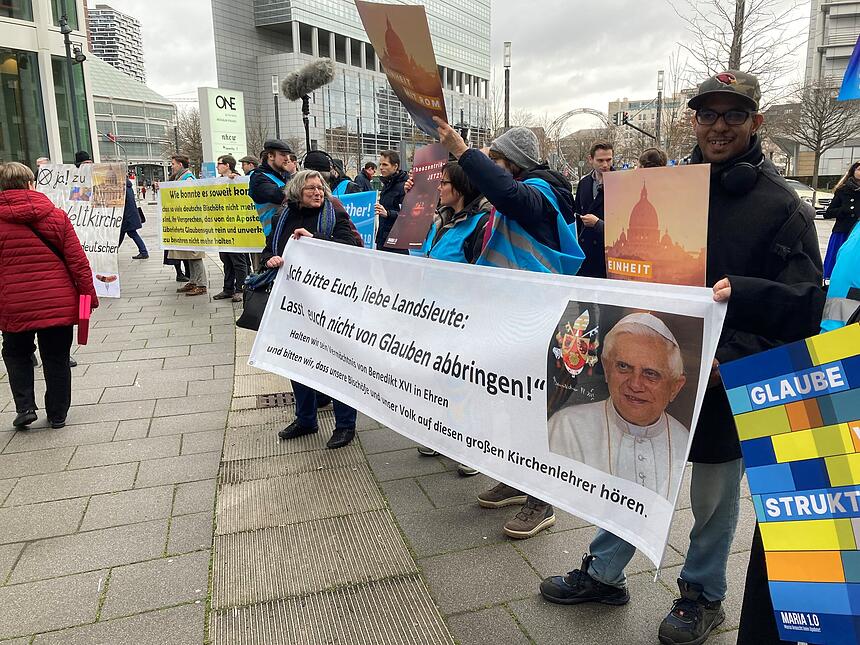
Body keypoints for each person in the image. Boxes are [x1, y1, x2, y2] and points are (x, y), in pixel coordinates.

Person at [539, 70, 822, 645]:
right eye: (708, 114)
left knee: (713, 497)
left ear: (756, 122)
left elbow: (803, 306)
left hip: (722, 377)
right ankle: (604, 571)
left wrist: (732, 352)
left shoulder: (780, 206)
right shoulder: (665, 187)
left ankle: (702, 594)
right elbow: (617, 275)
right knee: (629, 474)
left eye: (733, 115)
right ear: (693, 120)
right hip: (644, 368)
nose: (719, 126)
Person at [435, 119, 584, 539]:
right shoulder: (524, 196)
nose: (492, 171)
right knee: (511, 405)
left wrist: (465, 152)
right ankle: (519, 481)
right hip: (514, 318)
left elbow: (508, 194)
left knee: (533, 409)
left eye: (496, 161)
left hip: (536, 320)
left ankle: (543, 500)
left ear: (513, 165)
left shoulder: (540, 194)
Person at [260, 170, 363, 449]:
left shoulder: (334, 214)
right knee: (297, 361)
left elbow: (351, 246)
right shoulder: (281, 217)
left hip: (331, 305)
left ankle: (345, 425)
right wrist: (270, 259)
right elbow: (267, 249)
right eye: (311, 189)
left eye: (321, 188)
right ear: (296, 193)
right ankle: (305, 419)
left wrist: (315, 239)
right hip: (294, 304)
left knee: (337, 363)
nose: (318, 193)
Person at [0, 162, 99, 430]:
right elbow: (78, 262)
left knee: (16, 354)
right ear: (31, 184)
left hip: (14, 304)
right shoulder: (56, 216)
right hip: (58, 302)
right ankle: (57, 414)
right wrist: (89, 297)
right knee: (56, 357)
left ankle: (25, 407)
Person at [548, 313, 688, 499]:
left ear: (675, 387)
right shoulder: (566, 426)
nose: (635, 384)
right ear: (606, 370)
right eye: (623, 367)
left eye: (651, 373)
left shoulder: (682, 437)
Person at [412, 160, 493, 477]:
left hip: (463, 319)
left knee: (465, 382)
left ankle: (472, 447)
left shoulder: (479, 225)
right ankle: (441, 433)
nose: (439, 187)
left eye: (444, 183)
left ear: (460, 188)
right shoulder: (441, 220)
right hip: (434, 315)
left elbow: (482, 276)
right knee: (439, 377)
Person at [167, 155, 208, 296]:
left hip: (191, 222)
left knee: (194, 254)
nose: (171, 166)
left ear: (180, 164)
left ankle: (201, 284)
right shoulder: (181, 178)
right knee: (189, 254)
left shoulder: (188, 179)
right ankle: (193, 281)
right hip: (185, 222)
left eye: (173, 164)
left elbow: (190, 201)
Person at [213, 155, 249, 303]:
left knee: (238, 259)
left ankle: (241, 289)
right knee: (226, 258)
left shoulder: (237, 180)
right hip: (222, 224)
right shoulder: (218, 181)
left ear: (227, 165)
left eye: (219, 164)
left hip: (235, 225)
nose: (217, 167)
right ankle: (228, 288)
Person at [574, 141, 613, 278]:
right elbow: (577, 214)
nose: (605, 165)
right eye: (600, 160)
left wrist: (597, 223)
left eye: (609, 160)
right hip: (586, 253)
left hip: (609, 254)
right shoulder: (584, 183)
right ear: (590, 160)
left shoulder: (621, 183)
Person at [822, 161, 860, 280]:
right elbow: (828, 213)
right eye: (859, 169)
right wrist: (844, 210)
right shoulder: (842, 190)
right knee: (835, 264)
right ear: (853, 171)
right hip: (842, 232)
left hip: (857, 235)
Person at [249, 139, 293, 237]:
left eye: (288, 155)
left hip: (289, 231)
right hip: (274, 234)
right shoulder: (259, 178)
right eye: (283, 155)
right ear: (270, 156)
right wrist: (297, 179)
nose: (287, 159)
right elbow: (278, 195)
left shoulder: (284, 176)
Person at [375, 150, 409, 254]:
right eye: (380, 164)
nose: (381, 167)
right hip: (382, 240)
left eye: (385, 164)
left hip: (397, 244)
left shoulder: (405, 186)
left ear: (395, 166)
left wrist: (388, 214)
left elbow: (408, 215)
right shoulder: (387, 185)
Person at [119, 176, 149, 259]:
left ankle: (144, 252)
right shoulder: (128, 187)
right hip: (130, 215)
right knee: (126, 234)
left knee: (130, 234)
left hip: (127, 217)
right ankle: (143, 251)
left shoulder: (123, 189)